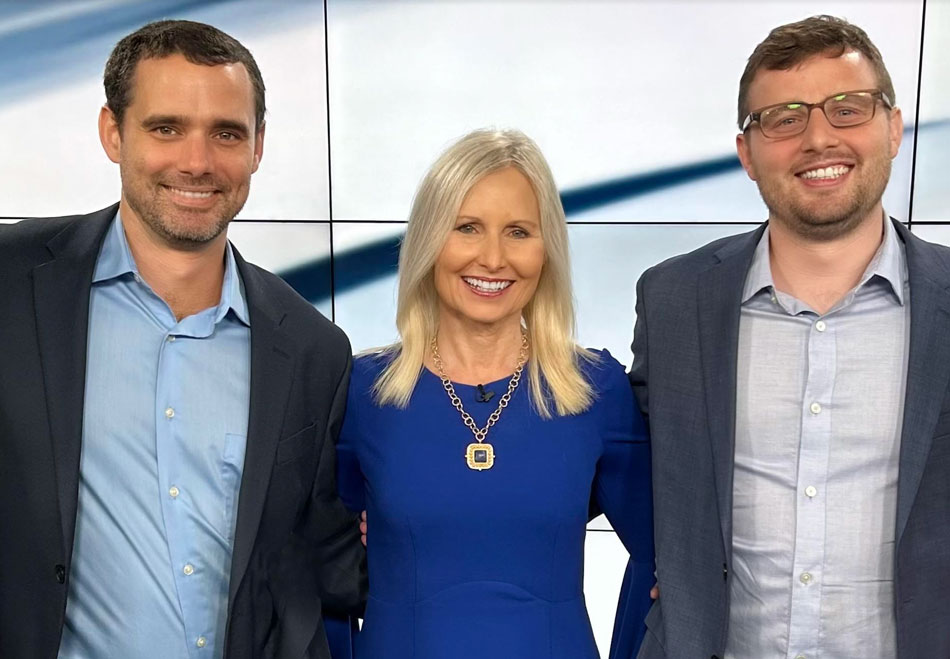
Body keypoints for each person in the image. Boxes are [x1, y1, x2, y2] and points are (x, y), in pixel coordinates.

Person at [0, 20, 364, 659]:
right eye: (166, 128)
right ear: (113, 133)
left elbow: (316, 562)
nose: (197, 162)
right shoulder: (10, 283)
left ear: (257, 146)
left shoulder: (314, 350)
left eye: (226, 133)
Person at [622, 14, 950, 659]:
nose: (818, 138)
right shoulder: (672, 301)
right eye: (784, 118)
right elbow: (617, 460)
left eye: (847, 109)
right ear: (747, 153)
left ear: (893, 128)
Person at [334, 129, 653, 658]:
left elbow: (665, 561)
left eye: (518, 232)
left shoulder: (595, 389)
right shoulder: (362, 393)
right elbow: (316, 565)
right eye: (467, 228)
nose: (493, 258)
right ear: (429, 241)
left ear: (546, 250)